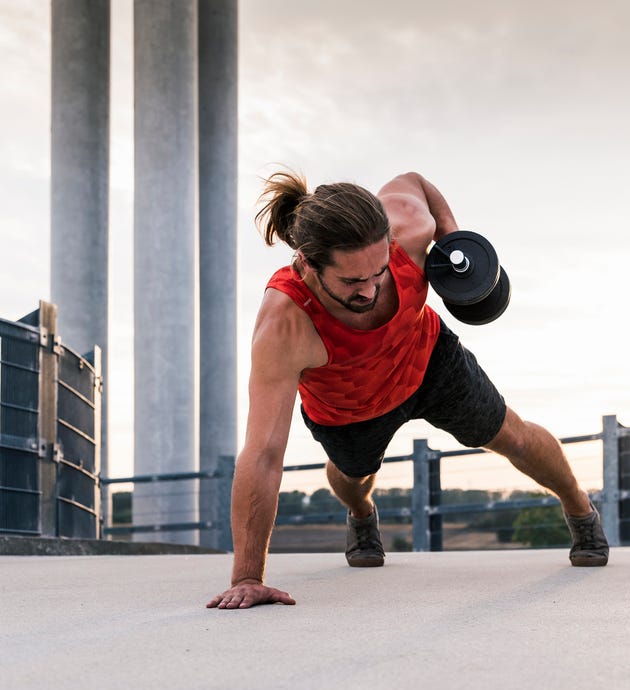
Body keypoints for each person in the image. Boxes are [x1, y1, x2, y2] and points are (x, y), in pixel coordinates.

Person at [207, 171, 608, 610]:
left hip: (428, 361)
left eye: (378, 272)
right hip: (346, 406)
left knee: (512, 434)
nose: (371, 288)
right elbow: (263, 454)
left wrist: (457, 242)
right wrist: (247, 576)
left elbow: (415, 180)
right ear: (306, 264)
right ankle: (362, 515)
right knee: (353, 477)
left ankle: (581, 509)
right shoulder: (284, 322)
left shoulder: (408, 227)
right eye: (351, 282)